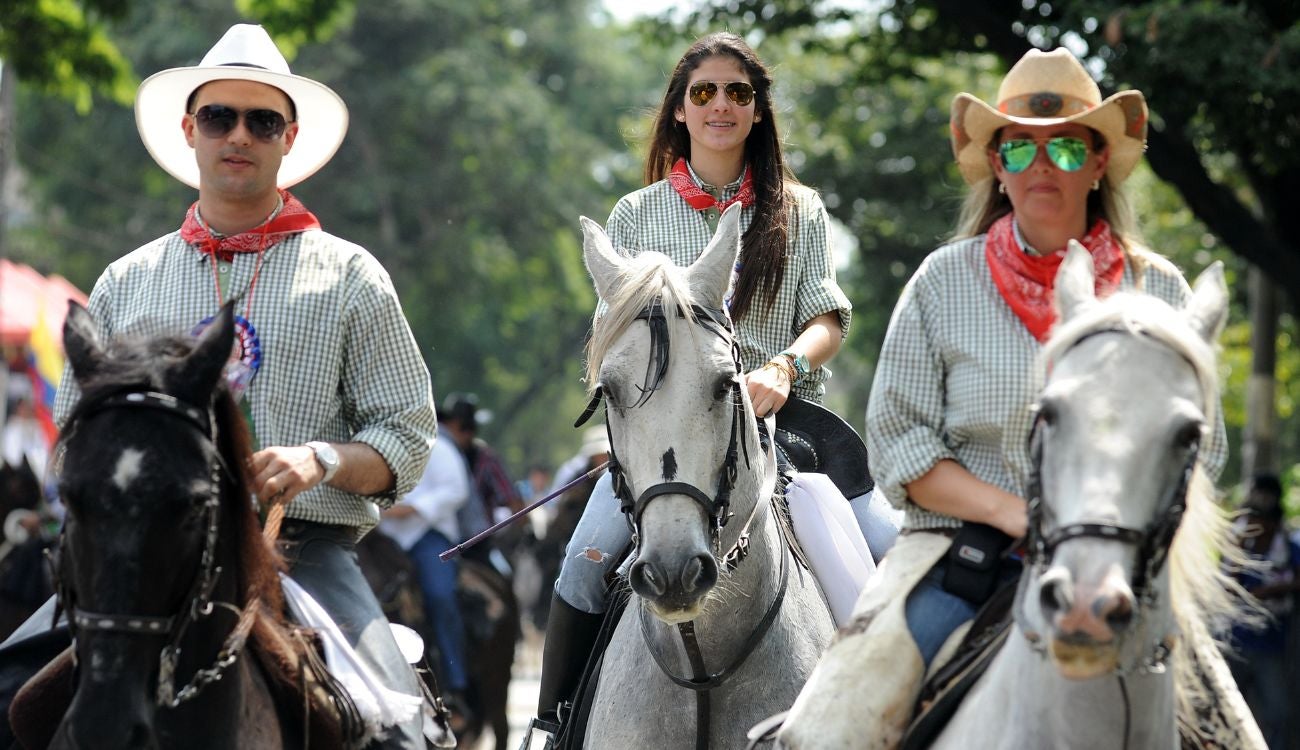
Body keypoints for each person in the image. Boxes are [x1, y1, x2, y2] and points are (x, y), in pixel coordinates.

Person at [51, 24, 437, 748]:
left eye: (262, 121)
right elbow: (75, 432)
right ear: (190, 129)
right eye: (221, 117)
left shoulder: (353, 277)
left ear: (288, 138)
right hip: (134, 562)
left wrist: (318, 461)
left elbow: (408, 435)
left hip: (305, 552)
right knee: (15, 690)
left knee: (402, 728)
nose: (240, 135)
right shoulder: (123, 282)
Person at [848, 47, 1228, 745]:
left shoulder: (1164, 293)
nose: (1041, 167)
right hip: (957, 554)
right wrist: (1025, 517)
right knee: (829, 722)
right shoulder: (940, 283)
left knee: (1232, 729)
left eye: (1064, 148)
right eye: (1019, 150)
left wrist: (1108, 526)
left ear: (1097, 162)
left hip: (1131, 569)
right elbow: (900, 441)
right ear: (996, 166)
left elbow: (1205, 451)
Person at [533, 31, 857, 734]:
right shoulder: (634, 214)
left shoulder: (800, 211)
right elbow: (611, 343)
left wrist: (784, 365)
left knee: (880, 558)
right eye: (703, 92)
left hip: (781, 430)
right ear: (680, 109)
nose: (720, 105)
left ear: (758, 111)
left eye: (737, 93)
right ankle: (555, 725)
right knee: (583, 565)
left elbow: (827, 316)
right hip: (662, 441)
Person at [378, 419, 473, 725]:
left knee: (440, 596)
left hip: (426, 535)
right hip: (378, 537)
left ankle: (455, 685)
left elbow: (456, 489)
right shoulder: (368, 442)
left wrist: (413, 507)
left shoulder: (438, 447)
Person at [1226, 474, 1299, 749]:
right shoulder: (1237, 542)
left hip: (1271, 643)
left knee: (1277, 713)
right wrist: (1238, 548)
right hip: (1237, 639)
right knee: (1229, 707)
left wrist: (1272, 591)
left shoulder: (1287, 546)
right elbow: (1227, 586)